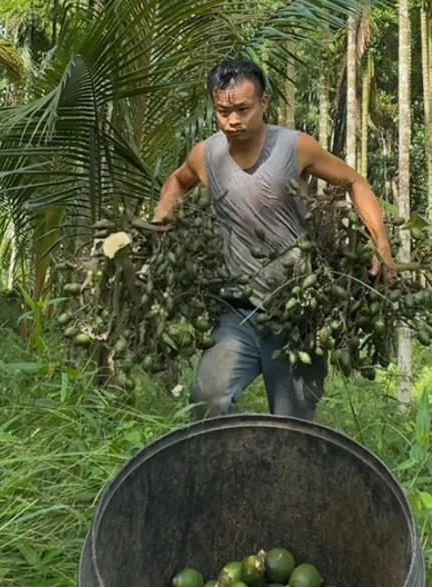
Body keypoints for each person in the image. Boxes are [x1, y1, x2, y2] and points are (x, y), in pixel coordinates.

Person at [152, 58, 395, 420]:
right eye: (222, 111)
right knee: (207, 399)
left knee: (292, 428)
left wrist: (381, 242)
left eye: (242, 109)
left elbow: (353, 181)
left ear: (264, 103)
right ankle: (224, 474)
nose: (233, 121)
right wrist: (163, 213)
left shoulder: (294, 147)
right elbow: (177, 181)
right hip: (237, 311)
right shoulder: (206, 155)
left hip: (296, 314)